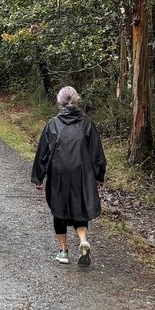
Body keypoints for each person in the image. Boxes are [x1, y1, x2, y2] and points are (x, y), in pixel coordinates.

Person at [31, 86, 106, 267]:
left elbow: (43, 153)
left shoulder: (52, 124)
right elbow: (97, 152)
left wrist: (38, 177)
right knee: (79, 207)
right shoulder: (87, 124)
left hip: (58, 173)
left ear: (59, 102)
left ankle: (63, 251)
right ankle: (82, 240)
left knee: (59, 210)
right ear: (76, 100)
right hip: (82, 173)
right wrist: (99, 175)